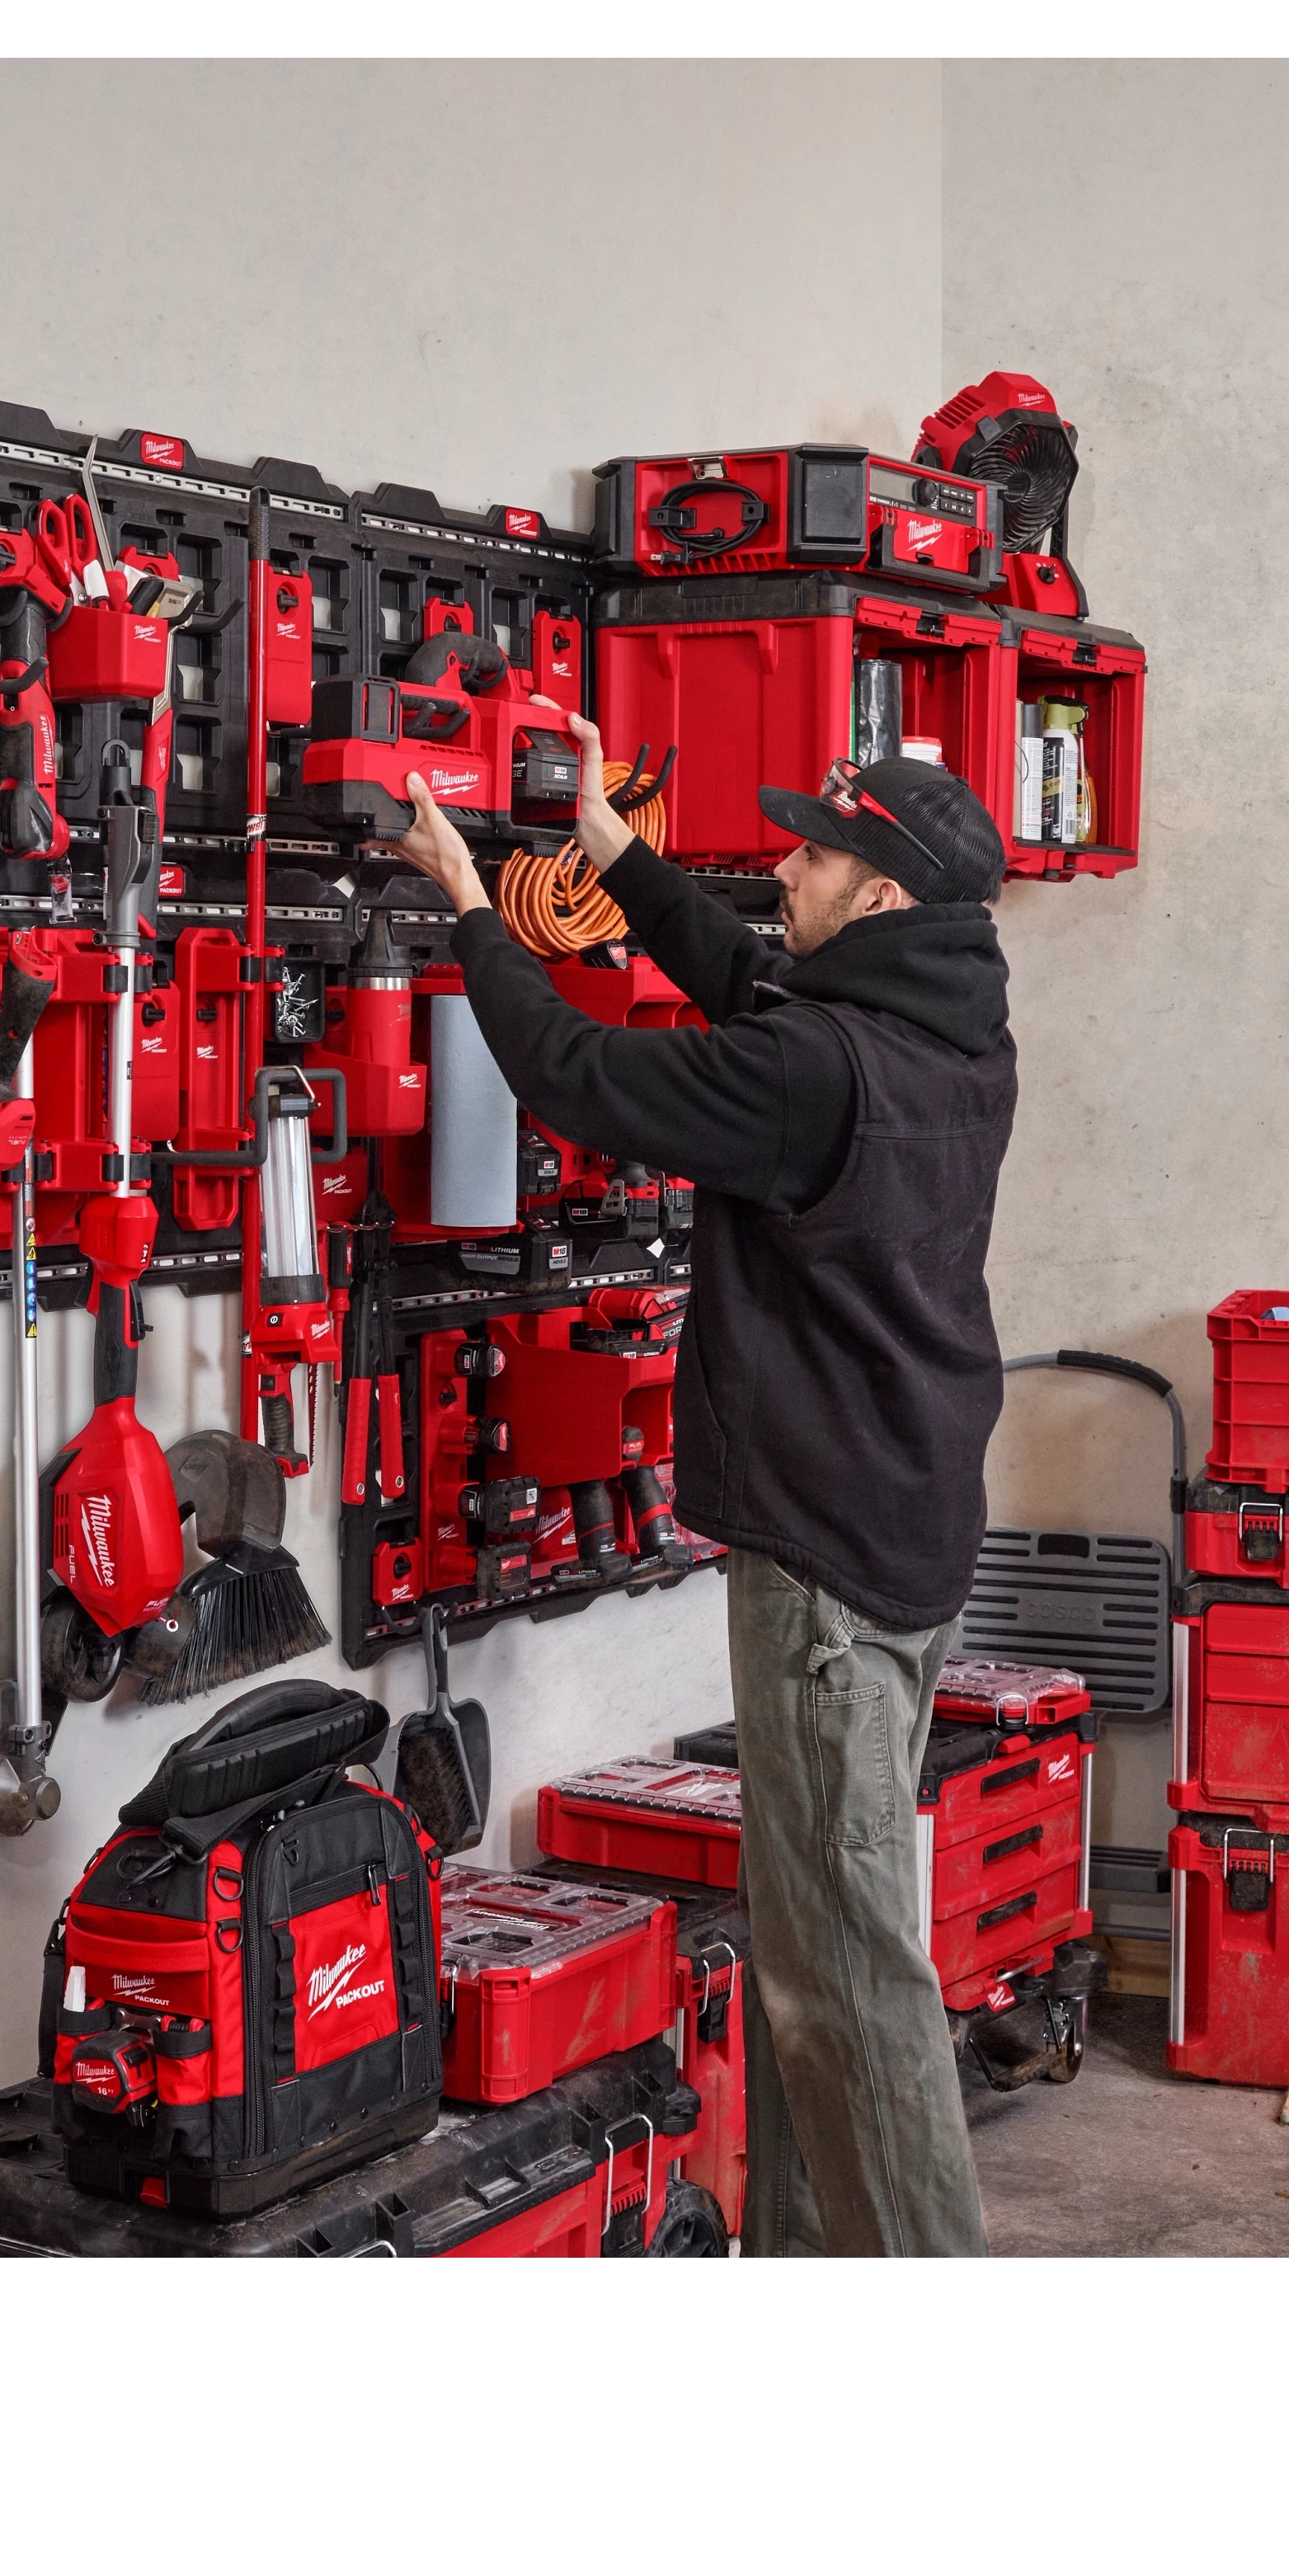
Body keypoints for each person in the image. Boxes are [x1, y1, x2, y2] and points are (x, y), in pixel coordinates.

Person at [391, 716, 1018, 2259]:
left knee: (850, 1975)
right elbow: (763, 992)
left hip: (823, 1565)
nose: (783, 872)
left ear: (876, 898)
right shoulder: (952, 1035)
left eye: (811, 856)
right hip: (911, 1525)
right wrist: (616, 858)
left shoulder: (815, 1071)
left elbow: (585, 1075)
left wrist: (473, 908)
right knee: (819, 1945)